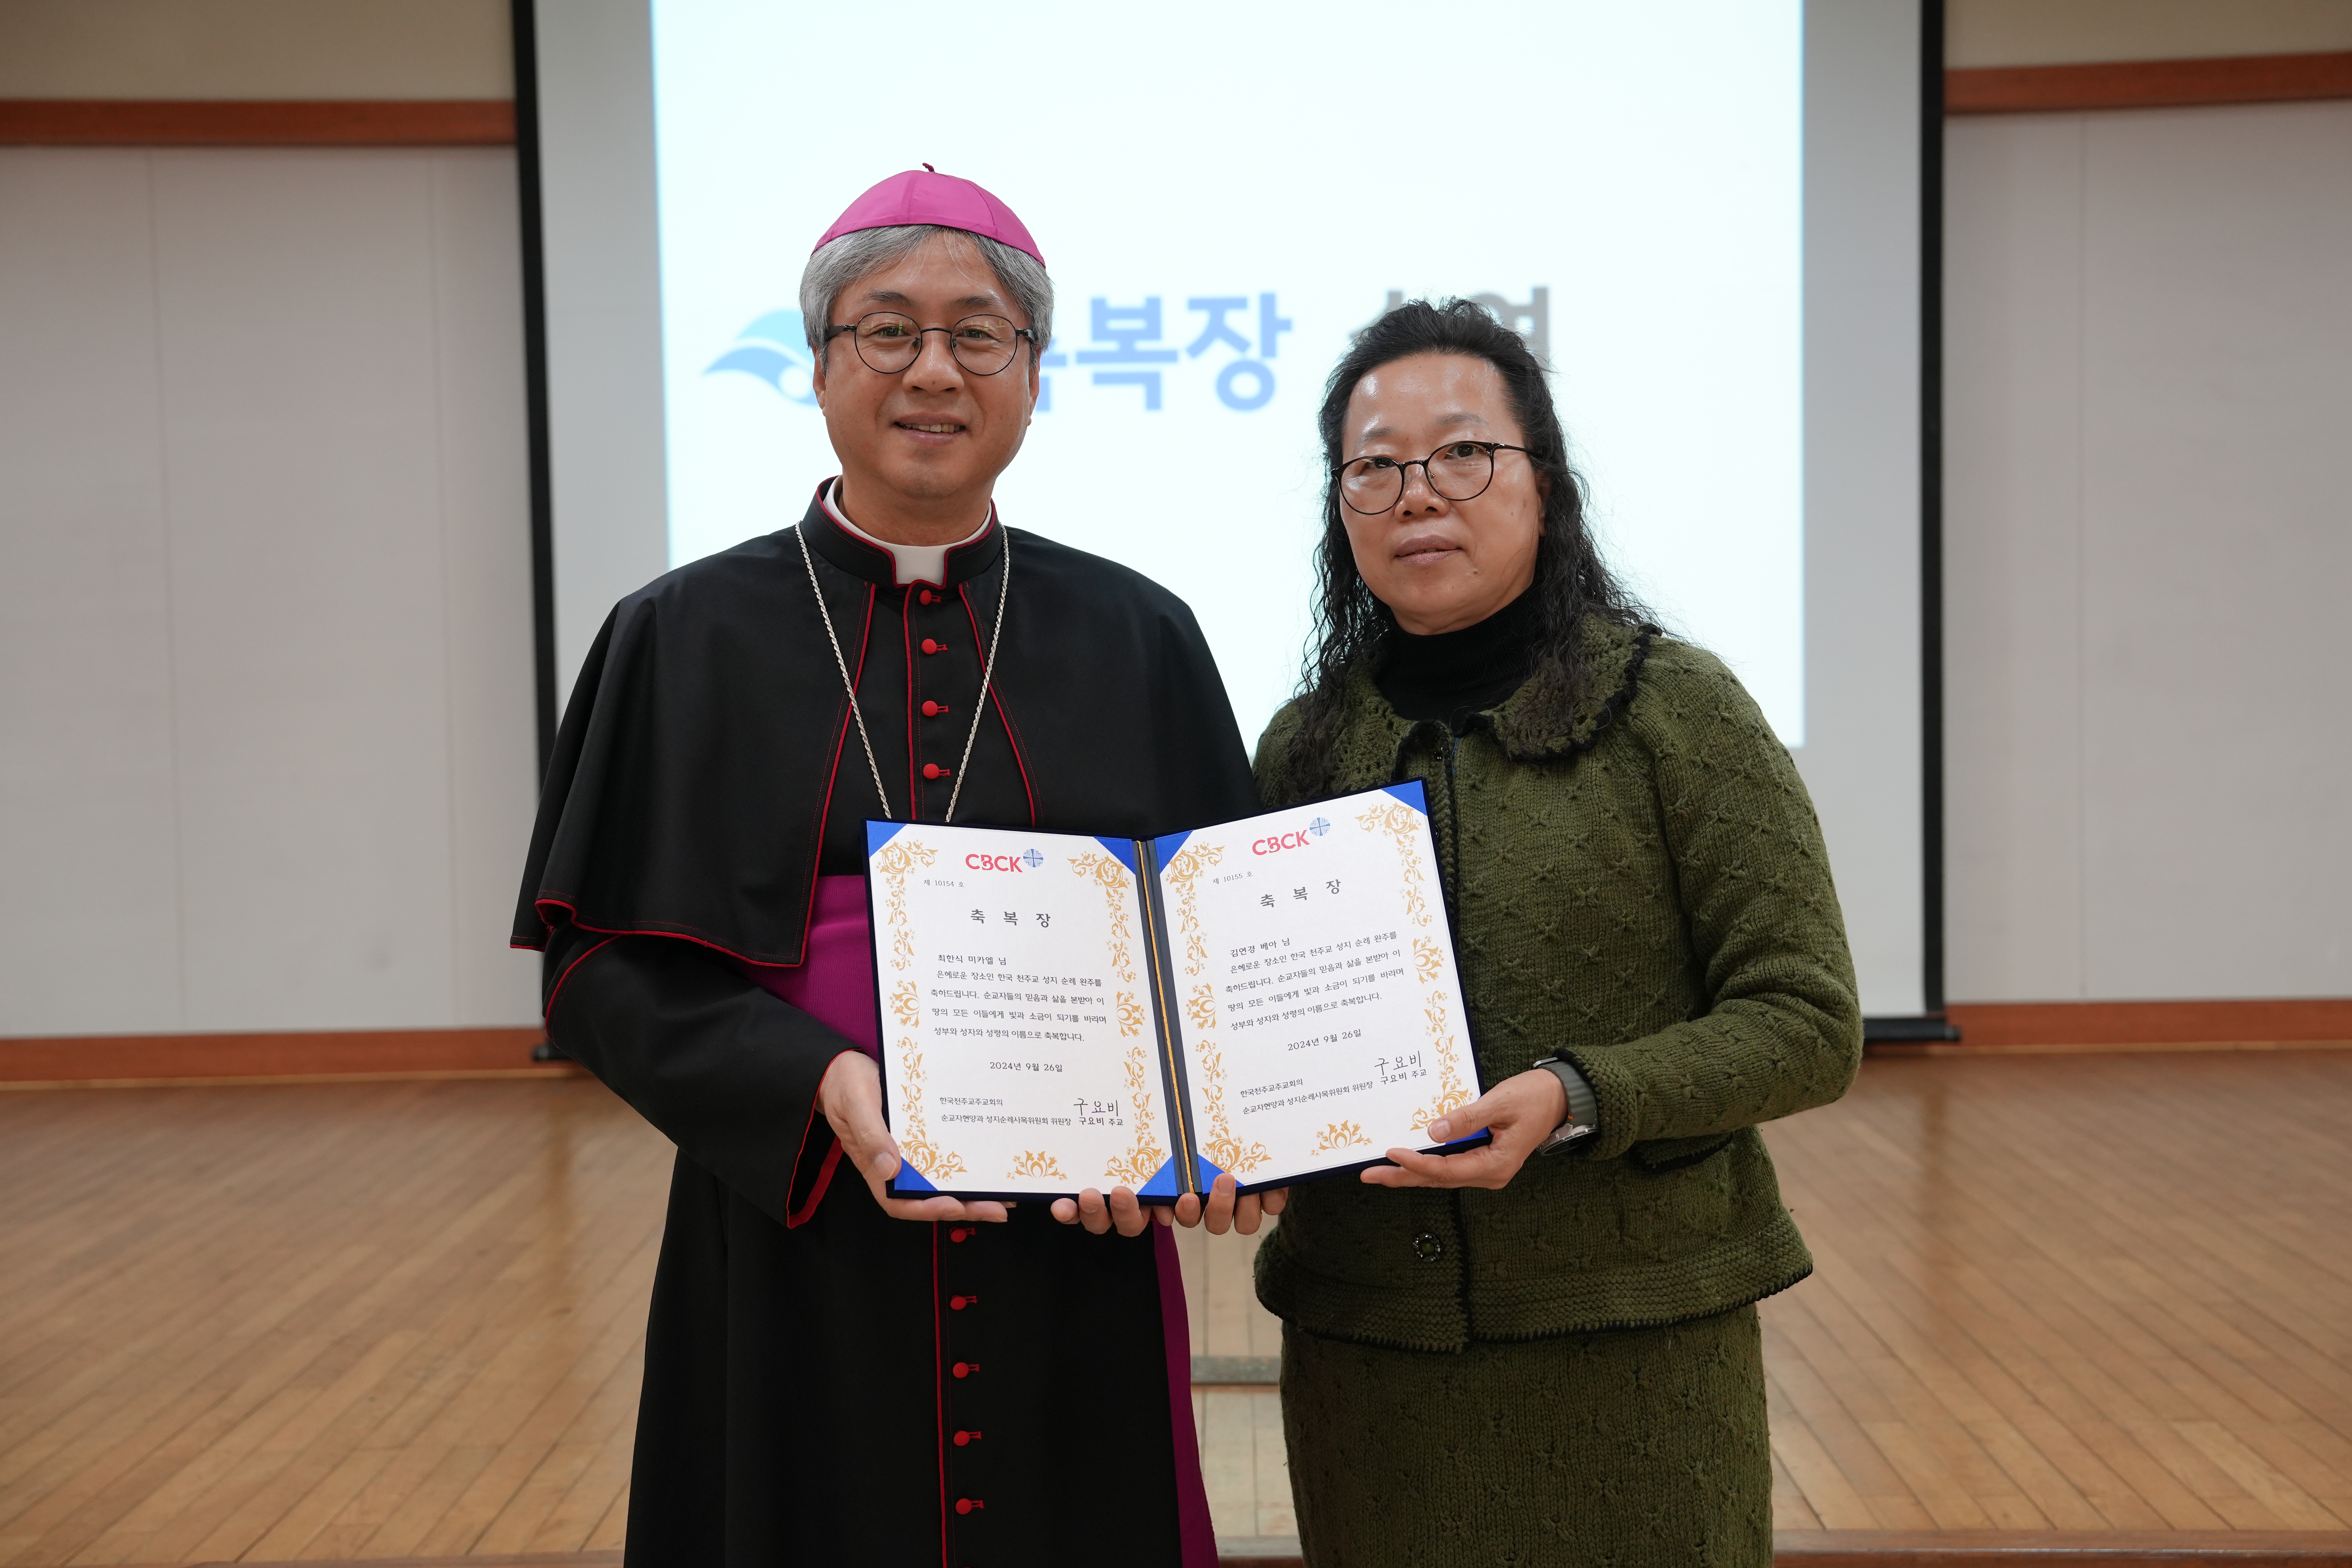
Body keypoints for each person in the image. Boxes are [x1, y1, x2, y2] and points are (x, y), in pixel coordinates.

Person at [512, 168, 1274, 1568]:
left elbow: (1223, 958)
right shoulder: (679, 637)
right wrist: (814, 1084)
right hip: (794, 1236)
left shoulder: (1139, 633)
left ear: (1033, 373)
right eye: (887, 330)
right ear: (817, 364)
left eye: (980, 333)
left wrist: (1211, 1134)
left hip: (1075, 1244)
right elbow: (601, 967)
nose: (935, 368)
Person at [1249, 299, 1863, 1567]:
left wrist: (1580, 1096)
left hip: (1633, 1349)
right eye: (1374, 465)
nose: (1419, 491)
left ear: (1546, 483)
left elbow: (1806, 1022)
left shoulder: (1672, 708)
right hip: (1373, 1360)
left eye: (1464, 452)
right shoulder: (1301, 749)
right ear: (1341, 503)